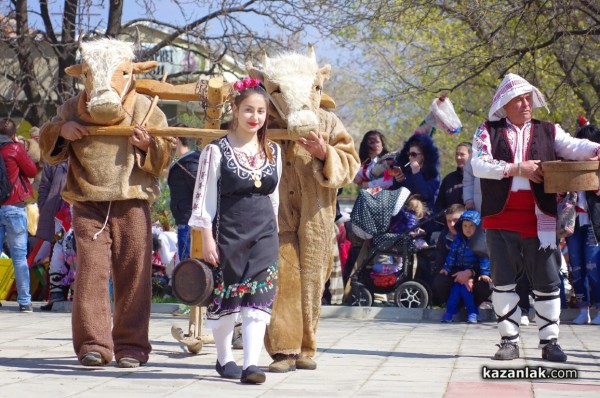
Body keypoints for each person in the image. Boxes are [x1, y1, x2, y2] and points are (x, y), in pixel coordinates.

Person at [39, 38, 176, 368]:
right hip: (88, 201)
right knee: (90, 273)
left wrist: (148, 145)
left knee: (135, 274)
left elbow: (166, 152)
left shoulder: (146, 107)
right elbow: (48, 142)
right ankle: (93, 344)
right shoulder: (72, 107)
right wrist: (62, 130)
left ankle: (132, 346)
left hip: (132, 201)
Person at [471, 73, 600, 362]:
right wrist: (517, 168)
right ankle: (508, 340)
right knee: (502, 281)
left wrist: (595, 149)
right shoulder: (486, 130)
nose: (526, 103)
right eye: (519, 99)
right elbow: (479, 164)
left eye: (528, 98)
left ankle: (549, 342)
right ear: (505, 104)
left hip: (539, 217)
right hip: (500, 217)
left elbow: (572, 146)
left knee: (548, 281)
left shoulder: (547, 130)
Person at [189, 78, 281, 384]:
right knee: (228, 297)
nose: (254, 117)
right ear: (235, 110)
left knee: (260, 296)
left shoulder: (274, 152)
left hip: (264, 233)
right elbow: (203, 198)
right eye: (248, 110)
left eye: (260, 112)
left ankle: (251, 364)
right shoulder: (216, 151)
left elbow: (274, 196)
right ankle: (224, 357)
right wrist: (207, 239)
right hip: (228, 231)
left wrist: (276, 233)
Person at [0, 118, 38, 312]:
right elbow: (31, 169)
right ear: (13, 134)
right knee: (19, 256)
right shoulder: (14, 149)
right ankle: (24, 302)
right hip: (14, 207)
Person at [565, 123, 600, 325]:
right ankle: (582, 309)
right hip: (573, 224)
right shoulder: (569, 164)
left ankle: (598, 308)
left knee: (594, 267)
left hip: (593, 224)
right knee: (576, 267)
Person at [439, 210, 491, 323]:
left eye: (472, 226)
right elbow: (451, 256)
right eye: (465, 225)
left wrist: (484, 273)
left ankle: (472, 312)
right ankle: (450, 312)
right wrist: (446, 268)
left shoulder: (480, 243)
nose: (468, 228)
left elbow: (484, 258)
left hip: (473, 274)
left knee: (467, 293)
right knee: (455, 292)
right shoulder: (457, 241)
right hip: (458, 273)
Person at [34, 160, 71, 309]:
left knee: (77, 255)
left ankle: (76, 295)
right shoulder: (55, 160)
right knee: (56, 253)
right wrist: (45, 206)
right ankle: (55, 296)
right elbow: (44, 187)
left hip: (81, 214)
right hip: (58, 215)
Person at [167, 128, 200, 261]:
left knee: (188, 264)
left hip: (189, 220)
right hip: (185, 218)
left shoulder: (190, 162)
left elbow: (198, 190)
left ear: (176, 139)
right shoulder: (186, 161)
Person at [434, 142, 471, 214]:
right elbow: (439, 204)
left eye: (462, 154)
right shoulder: (449, 179)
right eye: (457, 154)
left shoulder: (478, 179)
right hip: (449, 223)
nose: (458, 157)